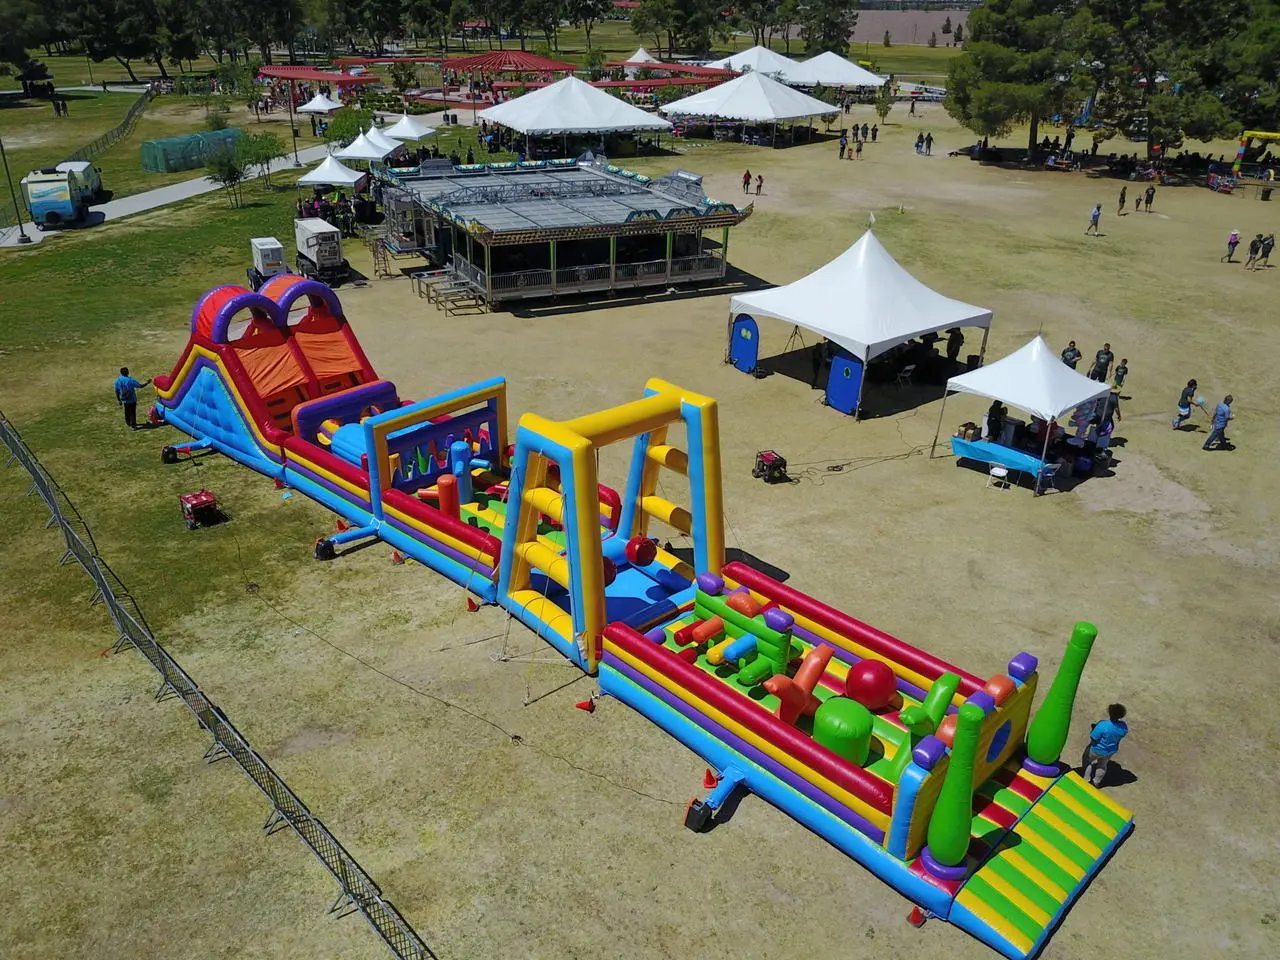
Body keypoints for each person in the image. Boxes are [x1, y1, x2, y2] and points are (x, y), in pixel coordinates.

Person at [1082, 704, 1129, 788]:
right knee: (1102, 765)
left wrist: (1094, 728)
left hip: (1096, 749)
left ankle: (1086, 779)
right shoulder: (1123, 726)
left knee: (1087, 761)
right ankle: (1096, 782)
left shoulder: (1103, 725)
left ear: (1110, 713)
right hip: (1110, 751)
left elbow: (1093, 737)